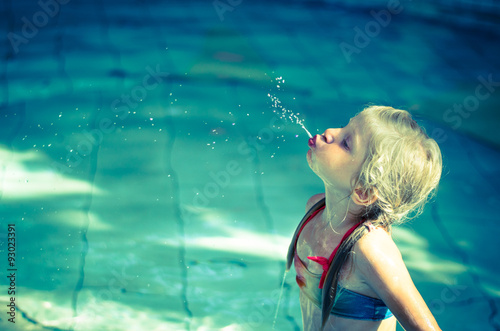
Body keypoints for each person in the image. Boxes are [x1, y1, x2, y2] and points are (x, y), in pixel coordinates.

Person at [286, 105, 443, 330]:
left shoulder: (370, 250)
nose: (330, 132)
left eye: (346, 143)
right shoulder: (314, 210)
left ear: (364, 191)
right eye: (343, 127)